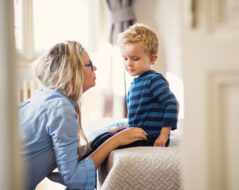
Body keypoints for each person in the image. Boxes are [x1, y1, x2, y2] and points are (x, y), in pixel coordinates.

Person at [18, 41, 147, 190]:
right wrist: (116, 141)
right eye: (89, 64)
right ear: (73, 72)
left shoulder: (44, 95)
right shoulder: (61, 108)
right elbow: (73, 177)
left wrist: (106, 136)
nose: (95, 68)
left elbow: (68, 155)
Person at [119, 23, 179, 147]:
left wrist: (163, 135)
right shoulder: (134, 84)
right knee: (107, 135)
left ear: (152, 59)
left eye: (135, 59)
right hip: (138, 134)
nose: (129, 64)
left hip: (151, 137)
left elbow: (172, 104)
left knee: (110, 142)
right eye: (125, 58)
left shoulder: (154, 80)